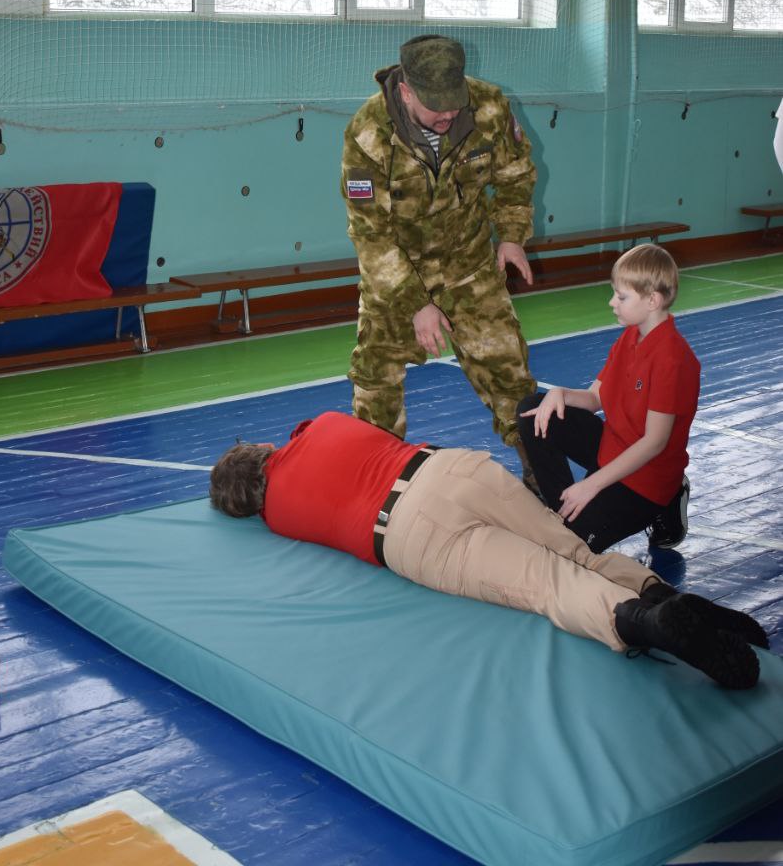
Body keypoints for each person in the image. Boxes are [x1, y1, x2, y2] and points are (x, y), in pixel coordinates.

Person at [209, 411, 767, 690]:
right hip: (449, 468)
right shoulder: (322, 425)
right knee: (575, 551)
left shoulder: (276, 514)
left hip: (408, 532)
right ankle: (663, 594)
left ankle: (648, 622)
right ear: (261, 449)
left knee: (548, 584)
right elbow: (310, 432)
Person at [341, 34, 537, 480]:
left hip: (468, 266)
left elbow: (515, 175)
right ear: (406, 91)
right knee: (376, 382)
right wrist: (416, 303)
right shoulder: (369, 132)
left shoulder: (489, 107)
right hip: (397, 275)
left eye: (454, 102)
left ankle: (540, 472)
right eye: (436, 106)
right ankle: (374, 482)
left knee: (509, 373)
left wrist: (511, 237)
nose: (448, 114)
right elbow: (371, 235)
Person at [517, 244, 698, 554]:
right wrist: (559, 393)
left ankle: (668, 499)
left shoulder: (672, 359)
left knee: (570, 549)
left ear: (652, 300)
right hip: (614, 449)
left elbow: (654, 443)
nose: (612, 302)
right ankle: (565, 511)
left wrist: (592, 484)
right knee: (534, 409)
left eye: (621, 297)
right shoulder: (630, 336)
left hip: (647, 477)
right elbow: (594, 398)